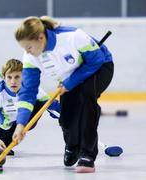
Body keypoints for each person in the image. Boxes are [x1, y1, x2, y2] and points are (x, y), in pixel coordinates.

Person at [12, 16, 114, 173]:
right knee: (66, 116)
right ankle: (72, 146)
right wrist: (21, 124)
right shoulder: (30, 57)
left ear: (40, 38)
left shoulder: (73, 36)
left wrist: (69, 83)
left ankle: (87, 155)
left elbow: (96, 60)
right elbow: (28, 92)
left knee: (86, 99)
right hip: (70, 76)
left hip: (99, 67)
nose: (27, 52)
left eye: (29, 47)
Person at [0, 59, 60, 155]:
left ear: (23, 77)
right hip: (4, 130)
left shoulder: (33, 89)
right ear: (4, 77)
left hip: (24, 122)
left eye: (17, 77)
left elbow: (53, 107)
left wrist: (72, 118)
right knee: (0, 144)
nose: (13, 81)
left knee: (41, 103)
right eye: (9, 77)